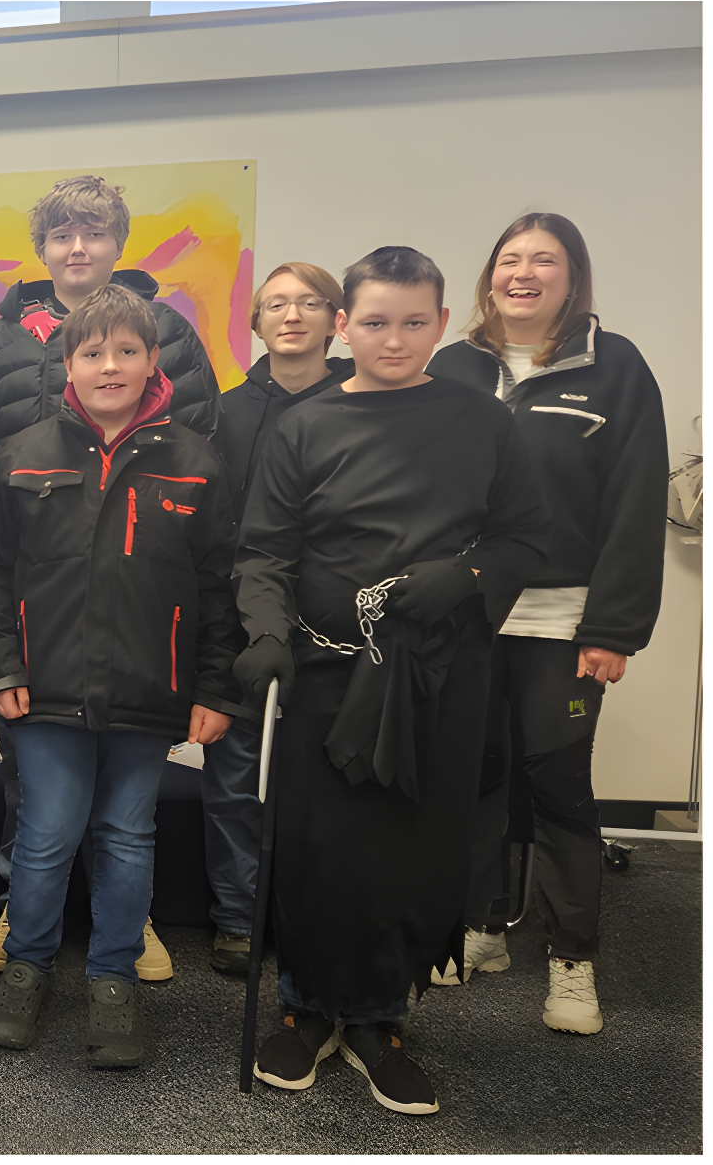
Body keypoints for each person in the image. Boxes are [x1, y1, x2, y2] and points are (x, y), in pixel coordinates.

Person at [235, 247, 548, 1114]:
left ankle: (378, 1020)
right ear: (345, 326)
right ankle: (304, 1008)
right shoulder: (305, 425)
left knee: (410, 844)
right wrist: (266, 633)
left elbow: (527, 536)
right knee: (318, 845)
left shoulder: (483, 420)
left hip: (437, 674)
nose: (395, 339)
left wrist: (470, 575)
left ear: (442, 323)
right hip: (326, 669)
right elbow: (264, 551)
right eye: (375, 322)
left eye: (415, 322)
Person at [0, 175, 224, 982]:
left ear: (117, 244)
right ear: (43, 248)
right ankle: (20, 910)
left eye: (94, 233)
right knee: (35, 794)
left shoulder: (172, 332)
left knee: (126, 817)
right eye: (63, 234)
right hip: (39, 598)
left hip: (139, 606)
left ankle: (127, 922)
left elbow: (197, 455)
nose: (78, 248)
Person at [0, 284, 242, 1070]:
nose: (110, 366)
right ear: (68, 365)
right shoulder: (20, 453)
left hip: (149, 688)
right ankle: (27, 966)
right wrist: (2, 666)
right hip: (45, 686)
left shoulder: (195, 461)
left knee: (127, 836)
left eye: (127, 351)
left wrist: (214, 688)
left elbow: (219, 586)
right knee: (46, 835)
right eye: (92, 353)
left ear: (153, 360)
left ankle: (113, 977)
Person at [426, 214, 668, 1036]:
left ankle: (573, 956)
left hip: (564, 620)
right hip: (469, 613)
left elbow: (635, 501)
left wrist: (615, 628)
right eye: (510, 259)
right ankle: (482, 924)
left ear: (573, 278)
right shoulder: (453, 366)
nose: (523, 273)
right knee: (474, 773)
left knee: (557, 780)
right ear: (490, 276)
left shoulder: (615, 367)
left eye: (544, 260)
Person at [196, 262, 357, 976]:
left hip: (337, 628)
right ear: (256, 324)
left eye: (309, 304)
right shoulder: (225, 415)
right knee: (235, 783)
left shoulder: (363, 406)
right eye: (276, 305)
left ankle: (312, 917)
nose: (292, 316)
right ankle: (238, 917)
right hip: (240, 624)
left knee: (324, 785)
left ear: (336, 321)